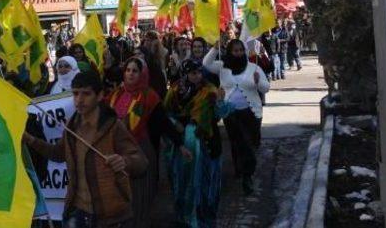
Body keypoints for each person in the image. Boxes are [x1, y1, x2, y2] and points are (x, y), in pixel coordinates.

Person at [24, 71, 148, 228]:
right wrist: (32, 140)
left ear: (100, 95)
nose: (79, 100)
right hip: (77, 213)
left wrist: (125, 161)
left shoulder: (113, 127)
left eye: (86, 94)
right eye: (75, 94)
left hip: (110, 216)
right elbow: (59, 154)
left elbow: (141, 161)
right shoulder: (71, 126)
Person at [107, 57, 191, 228]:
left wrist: (180, 144)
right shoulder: (116, 95)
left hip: (141, 152)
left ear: (142, 74)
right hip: (117, 153)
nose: (130, 74)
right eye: (128, 70)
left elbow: (164, 123)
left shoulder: (149, 97)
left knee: (139, 198)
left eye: (135, 71)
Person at [164, 60, 233, 227]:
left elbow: (221, 114)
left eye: (199, 72)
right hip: (182, 145)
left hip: (206, 142)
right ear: (185, 73)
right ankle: (185, 217)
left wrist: (221, 101)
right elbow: (166, 113)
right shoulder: (175, 90)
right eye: (193, 73)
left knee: (205, 184)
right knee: (183, 181)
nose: (197, 76)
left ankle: (203, 219)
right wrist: (176, 125)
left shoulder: (210, 90)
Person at [203, 39, 270, 195]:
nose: (238, 53)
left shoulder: (254, 67)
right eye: (235, 50)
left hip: (251, 112)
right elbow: (206, 63)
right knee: (237, 142)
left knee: (249, 143)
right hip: (230, 112)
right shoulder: (222, 67)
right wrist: (214, 48)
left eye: (241, 50)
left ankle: (247, 172)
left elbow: (266, 88)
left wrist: (258, 82)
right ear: (230, 52)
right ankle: (242, 171)